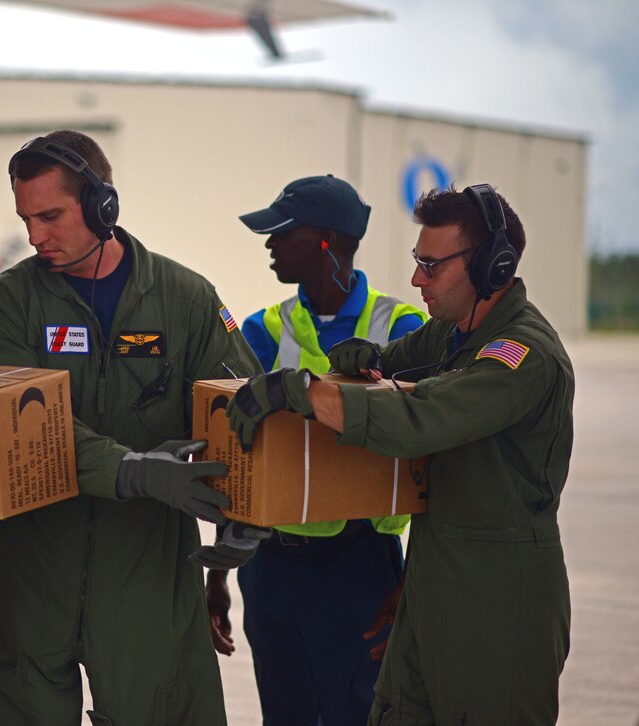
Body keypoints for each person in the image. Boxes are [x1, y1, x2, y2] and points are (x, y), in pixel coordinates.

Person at [223, 184, 573, 724]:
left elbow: (421, 420)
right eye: (417, 262)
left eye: (431, 266)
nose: (416, 280)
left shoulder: (521, 356)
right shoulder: (451, 336)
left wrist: (303, 392)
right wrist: (369, 358)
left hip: (497, 603)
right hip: (434, 585)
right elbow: (392, 360)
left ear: (492, 268)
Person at [0, 130, 261, 725]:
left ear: (103, 205)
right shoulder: (2, 306)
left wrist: (247, 513)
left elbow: (241, 410)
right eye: (26, 218)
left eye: (51, 215)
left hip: (149, 577)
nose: (35, 236)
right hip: (31, 575)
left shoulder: (188, 301)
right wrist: (134, 471)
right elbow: (29, 432)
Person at [204, 174, 426, 726]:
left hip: (361, 565)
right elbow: (233, 452)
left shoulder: (403, 328)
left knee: (359, 713)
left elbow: (433, 460)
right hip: (271, 564)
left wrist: (411, 582)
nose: (269, 243)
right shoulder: (261, 329)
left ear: (328, 239)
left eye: (282, 232)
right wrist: (219, 572)